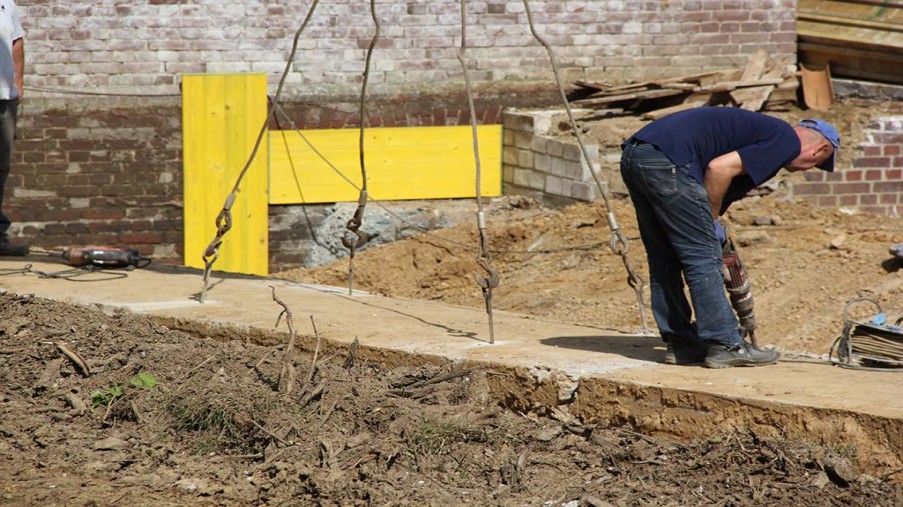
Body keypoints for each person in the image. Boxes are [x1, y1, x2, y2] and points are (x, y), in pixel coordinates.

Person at [619, 107, 839, 368]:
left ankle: (682, 345)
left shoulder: (761, 132)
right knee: (702, 258)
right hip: (669, 161)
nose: (806, 168)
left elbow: (711, 179)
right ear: (820, 150)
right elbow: (719, 169)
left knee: (663, 257)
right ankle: (725, 343)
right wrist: (710, 225)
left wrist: (709, 220)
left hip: (637, 154)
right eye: (815, 164)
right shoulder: (786, 141)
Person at [0, 0, 25, 256]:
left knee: (2, 165)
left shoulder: (7, 3)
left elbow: (17, 40)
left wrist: (18, 82)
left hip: (5, 97)